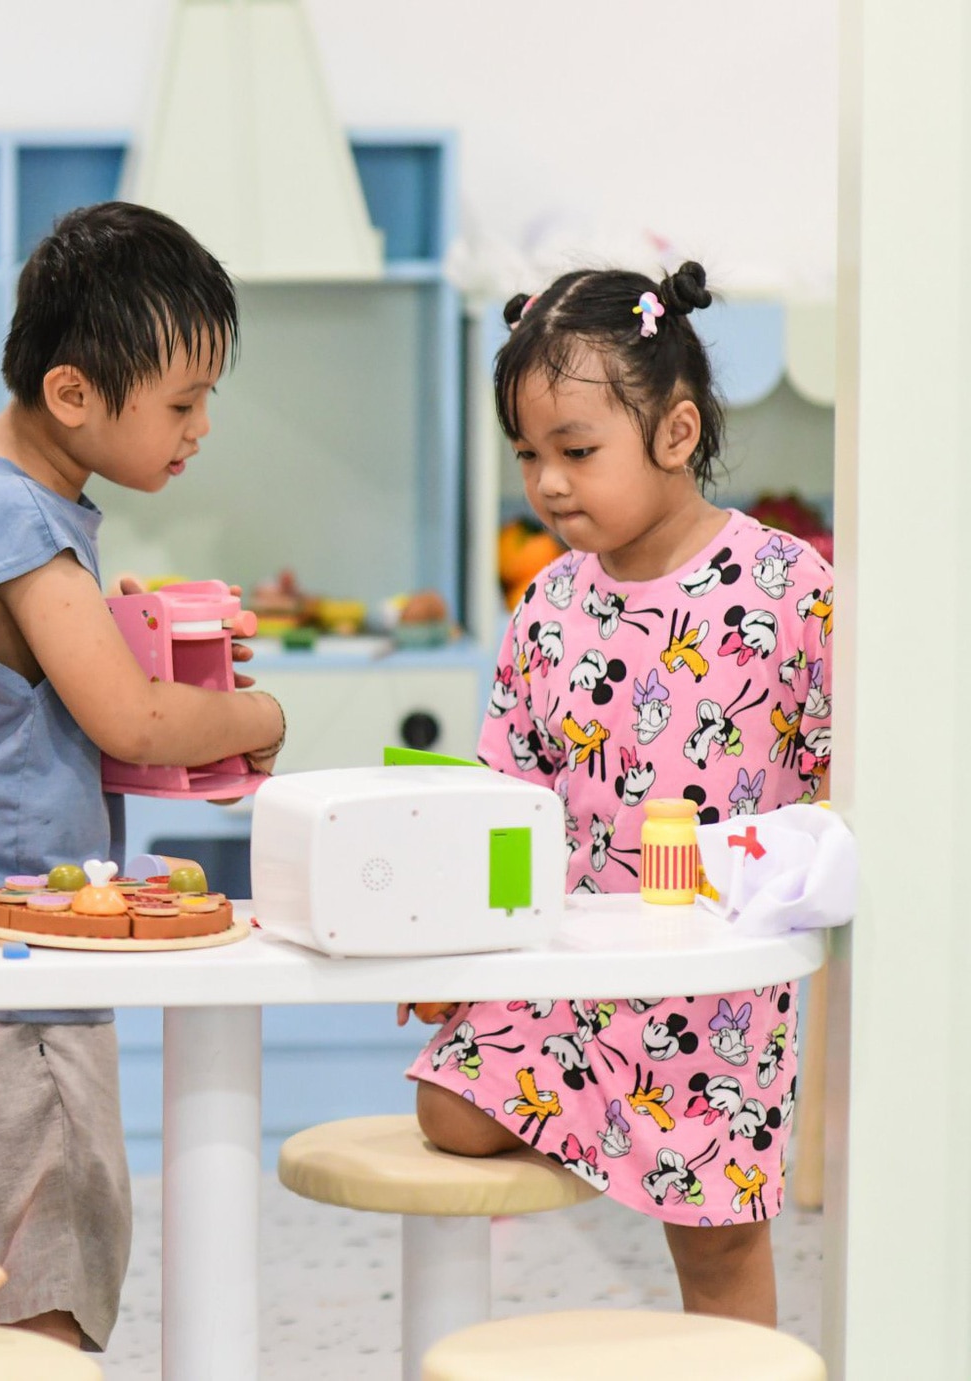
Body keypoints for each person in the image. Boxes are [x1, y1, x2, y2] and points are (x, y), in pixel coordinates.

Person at [0, 202, 289, 1352]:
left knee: (25, 1248)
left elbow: (40, 698)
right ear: (70, 393)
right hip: (12, 957)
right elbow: (128, 718)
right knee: (36, 1275)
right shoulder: (16, 517)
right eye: (180, 402)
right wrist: (253, 713)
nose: (199, 425)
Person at [404, 262, 833, 1326]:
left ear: (676, 434)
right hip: (572, 972)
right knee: (443, 1109)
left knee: (719, 1242)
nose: (545, 483)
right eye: (527, 456)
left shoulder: (788, 586)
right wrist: (456, 958)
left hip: (717, 986)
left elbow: (838, 787)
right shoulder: (544, 602)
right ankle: (601, 1137)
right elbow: (505, 800)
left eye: (576, 451)